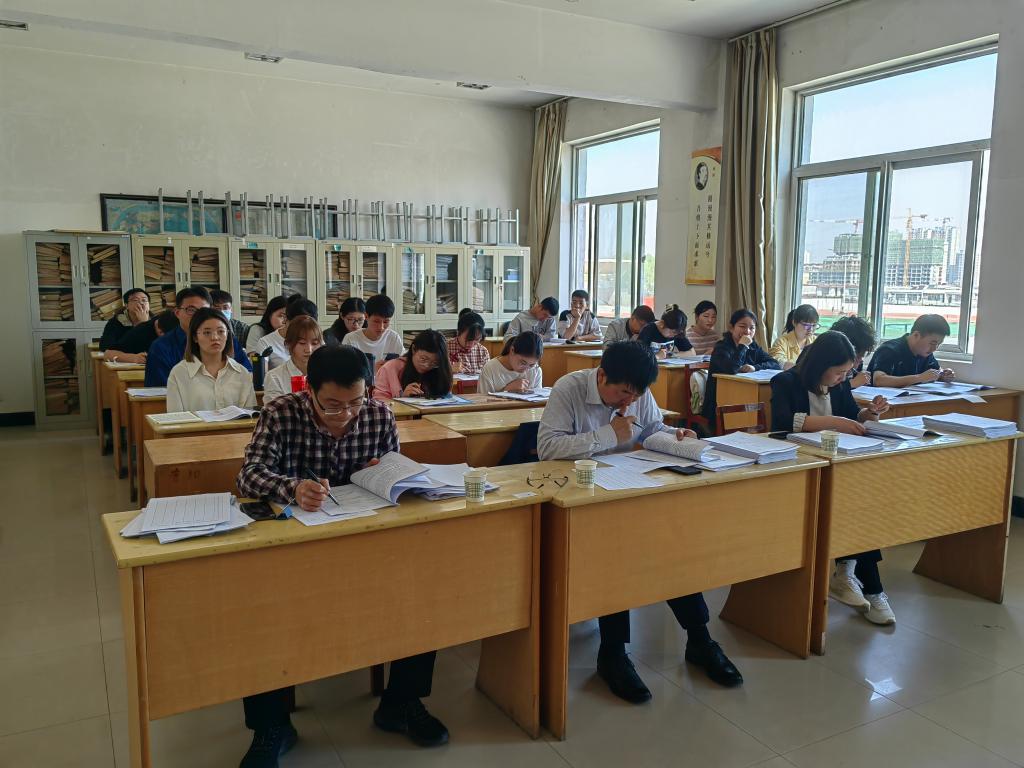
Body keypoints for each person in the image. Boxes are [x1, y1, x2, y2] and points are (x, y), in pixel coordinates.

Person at [236, 345, 448, 765]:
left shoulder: (379, 414)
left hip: (364, 537)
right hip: (296, 545)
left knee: (421, 591)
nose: (346, 414)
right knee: (259, 608)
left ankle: (400, 703)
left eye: (355, 402)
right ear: (309, 391)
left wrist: (385, 473)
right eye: (332, 405)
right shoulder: (280, 413)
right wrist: (293, 487)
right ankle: (271, 725)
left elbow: (392, 467)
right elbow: (249, 474)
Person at [537, 341, 743, 700]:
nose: (628, 402)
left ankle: (699, 639)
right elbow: (547, 448)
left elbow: (650, 430)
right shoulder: (569, 388)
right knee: (614, 555)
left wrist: (674, 437)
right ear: (602, 376)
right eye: (623, 393)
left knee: (671, 547)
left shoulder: (637, 393)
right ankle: (613, 652)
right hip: (579, 497)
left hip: (628, 487)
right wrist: (608, 434)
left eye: (636, 395)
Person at [770, 331, 894, 625]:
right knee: (847, 506)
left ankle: (857, 577)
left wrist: (869, 413)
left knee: (859, 506)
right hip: (796, 467)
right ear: (821, 365)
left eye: (846, 373)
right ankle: (859, 580)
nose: (842, 378)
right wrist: (834, 422)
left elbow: (851, 415)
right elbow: (783, 422)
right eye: (838, 372)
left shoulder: (838, 386)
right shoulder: (785, 381)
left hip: (835, 465)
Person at [144, 287, 251, 387]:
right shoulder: (161, 347)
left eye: (204, 311)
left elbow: (247, 376)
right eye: (191, 310)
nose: (198, 316)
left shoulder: (226, 340)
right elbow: (160, 390)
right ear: (177, 313)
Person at [165, 308, 256, 413]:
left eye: (221, 331)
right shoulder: (179, 373)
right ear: (195, 337)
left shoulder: (242, 373)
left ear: (228, 335)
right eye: (207, 332)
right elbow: (175, 418)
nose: (215, 337)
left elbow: (250, 417)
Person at [701, 309, 781, 425]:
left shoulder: (753, 346)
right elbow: (732, 368)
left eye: (752, 328)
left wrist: (755, 367)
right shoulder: (721, 347)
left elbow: (774, 363)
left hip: (747, 394)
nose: (747, 331)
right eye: (742, 326)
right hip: (718, 403)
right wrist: (742, 346)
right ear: (731, 327)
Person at [868, 314, 955, 388]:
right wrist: (919, 378)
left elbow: (936, 371)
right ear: (916, 335)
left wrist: (944, 375)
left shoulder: (925, 353)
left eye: (938, 344)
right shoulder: (889, 350)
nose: (935, 348)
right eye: (932, 343)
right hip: (881, 401)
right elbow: (878, 380)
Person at [374, 330, 453, 401]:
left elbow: (446, 397)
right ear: (414, 349)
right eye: (423, 359)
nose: (427, 365)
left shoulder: (439, 369)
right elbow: (379, 403)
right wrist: (402, 399)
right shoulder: (390, 368)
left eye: (434, 363)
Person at [262, 316, 325, 403]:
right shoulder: (275, 377)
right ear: (288, 344)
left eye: (315, 343)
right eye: (302, 343)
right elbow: (274, 409)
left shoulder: (328, 374)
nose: (309, 349)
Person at [252, 296, 318, 369]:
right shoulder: (265, 343)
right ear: (285, 319)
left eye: (308, 328)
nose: (302, 332)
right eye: (298, 326)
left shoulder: (317, 340)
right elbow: (261, 374)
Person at [342, 294, 405, 369]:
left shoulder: (393, 338)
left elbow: (404, 365)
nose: (381, 327)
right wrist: (373, 370)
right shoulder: (350, 339)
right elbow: (345, 371)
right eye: (376, 321)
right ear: (366, 316)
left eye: (386, 322)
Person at [103, 310, 177, 364]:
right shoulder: (140, 332)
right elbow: (108, 354)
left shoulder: (178, 323)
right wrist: (134, 358)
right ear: (160, 332)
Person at [479, 332, 543, 393]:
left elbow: (538, 398)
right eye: (523, 363)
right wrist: (507, 390)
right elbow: (482, 399)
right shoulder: (490, 369)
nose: (526, 369)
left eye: (532, 365)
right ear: (512, 350)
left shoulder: (536, 370)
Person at [830, 315, 877, 389]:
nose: (861, 360)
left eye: (862, 356)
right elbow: (825, 390)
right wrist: (852, 383)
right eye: (858, 357)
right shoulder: (826, 365)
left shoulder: (856, 367)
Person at [770, 304, 820, 369]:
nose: (810, 329)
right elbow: (777, 361)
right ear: (794, 322)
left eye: (814, 325)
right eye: (806, 325)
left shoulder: (817, 341)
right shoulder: (781, 342)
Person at [448, 309, 489, 374]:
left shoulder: (483, 351)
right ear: (458, 332)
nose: (472, 344)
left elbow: (488, 375)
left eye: (477, 339)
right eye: (468, 339)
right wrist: (448, 370)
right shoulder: (445, 348)